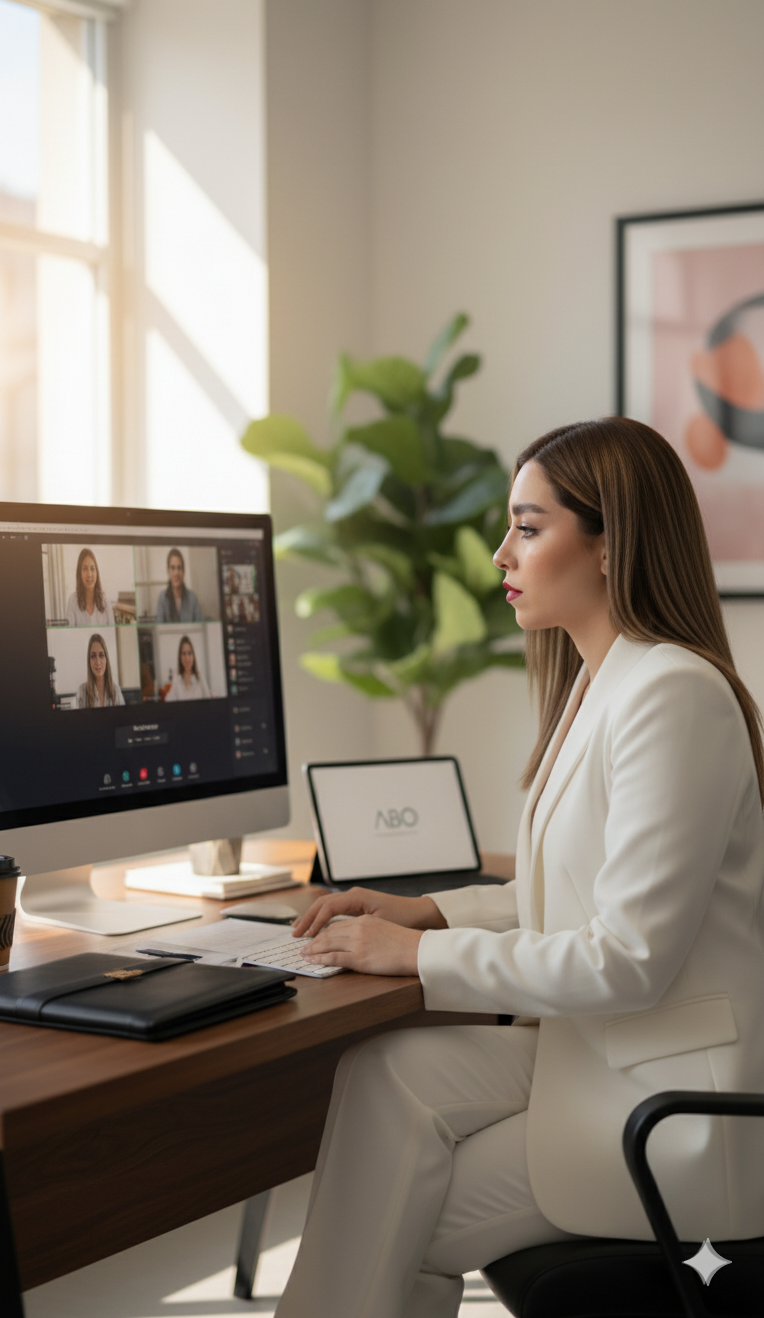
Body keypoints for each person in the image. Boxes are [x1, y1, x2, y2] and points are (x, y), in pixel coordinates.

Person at [275, 417, 764, 1318]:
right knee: (380, 1073)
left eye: (529, 528)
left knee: (394, 1221)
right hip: (603, 1054)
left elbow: (627, 957)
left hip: (665, 1102)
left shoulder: (673, 696)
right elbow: (571, 899)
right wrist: (427, 915)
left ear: (611, 544)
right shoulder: (600, 680)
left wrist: (414, 960)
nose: (501, 553)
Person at [65, 548, 115, 626]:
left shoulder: (105, 601)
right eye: (85, 569)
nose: (89, 574)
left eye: (92, 569)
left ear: (97, 572)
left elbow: (112, 631)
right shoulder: (72, 601)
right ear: (79, 573)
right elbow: (69, 633)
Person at [76, 633, 124, 708]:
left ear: (106, 659)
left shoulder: (116, 691)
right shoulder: (82, 692)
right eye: (93, 656)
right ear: (89, 660)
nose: (98, 662)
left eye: (101, 655)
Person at [156, 549, 203, 623]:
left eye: (179, 568)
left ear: (184, 571)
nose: (176, 573)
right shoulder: (162, 598)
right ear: (168, 570)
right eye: (173, 568)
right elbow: (159, 627)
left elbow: (200, 626)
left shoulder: (193, 598)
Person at [166, 635, 211, 701]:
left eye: (189, 653)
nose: (187, 658)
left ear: (193, 656)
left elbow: (208, 700)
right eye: (184, 654)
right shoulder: (176, 676)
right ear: (180, 657)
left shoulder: (200, 675)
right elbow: (168, 700)